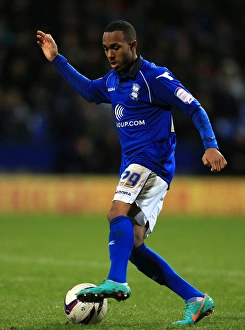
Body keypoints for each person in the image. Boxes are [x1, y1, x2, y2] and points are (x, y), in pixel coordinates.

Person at [37, 20, 227, 325]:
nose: (110, 54)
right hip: (138, 165)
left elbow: (195, 107)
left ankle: (116, 280)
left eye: (116, 47)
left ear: (132, 46)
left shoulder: (156, 77)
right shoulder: (113, 82)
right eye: (106, 48)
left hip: (152, 160)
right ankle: (196, 298)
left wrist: (210, 145)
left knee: (116, 213)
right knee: (135, 246)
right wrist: (57, 59)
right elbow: (87, 90)